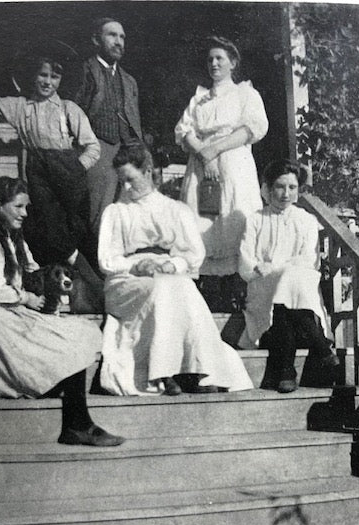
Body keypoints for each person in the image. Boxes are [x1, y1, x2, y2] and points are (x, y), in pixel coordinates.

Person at [97, 142, 253, 396]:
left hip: (168, 274)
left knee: (180, 286)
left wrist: (171, 264)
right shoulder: (116, 212)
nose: (125, 187)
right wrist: (137, 264)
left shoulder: (175, 209)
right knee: (166, 288)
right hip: (126, 281)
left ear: (148, 172)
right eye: (121, 181)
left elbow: (194, 253)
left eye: (130, 179)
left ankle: (195, 368)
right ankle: (165, 372)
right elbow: (107, 260)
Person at [0, 177, 124, 446]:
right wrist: (26, 298)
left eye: (26, 207)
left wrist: (46, 284)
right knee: (62, 343)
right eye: (18, 207)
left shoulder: (15, 240)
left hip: (16, 313)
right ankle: (77, 423)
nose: (24, 213)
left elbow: (32, 270)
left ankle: (76, 421)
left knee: (78, 332)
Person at [0, 40, 103, 297]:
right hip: (39, 180)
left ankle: (93, 293)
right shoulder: (21, 107)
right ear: (33, 76)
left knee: (79, 234)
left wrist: (74, 168)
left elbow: (93, 148)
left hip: (70, 180)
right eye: (43, 75)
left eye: (54, 77)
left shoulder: (69, 109)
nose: (48, 82)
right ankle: (58, 291)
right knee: (48, 234)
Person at [238, 159, 339, 393]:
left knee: (291, 279)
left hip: (296, 286)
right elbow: (246, 264)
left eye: (292, 188)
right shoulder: (255, 220)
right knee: (288, 285)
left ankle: (286, 370)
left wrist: (273, 266)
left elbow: (308, 261)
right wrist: (270, 270)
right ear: (268, 188)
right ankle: (321, 346)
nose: (285, 194)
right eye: (280, 187)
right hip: (263, 290)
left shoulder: (306, 220)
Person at [175, 36, 268, 279]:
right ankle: (206, 285)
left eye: (220, 58)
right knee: (202, 220)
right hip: (200, 166)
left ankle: (237, 284)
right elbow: (184, 131)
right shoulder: (199, 99)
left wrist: (215, 150)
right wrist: (204, 154)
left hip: (234, 163)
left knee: (234, 213)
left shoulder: (244, 93)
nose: (214, 63)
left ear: (233, 63)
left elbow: (252, 128)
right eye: (210, 59)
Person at [75, 17, 142, 235]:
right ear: (96, 39)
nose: (119, 41)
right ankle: (96, 265)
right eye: (112, 35)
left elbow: (134, 120)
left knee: (127, 211)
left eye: (122, 37)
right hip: (97, 148)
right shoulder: (84, 70)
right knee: (99, 213)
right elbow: (73, 112)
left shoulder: (129, 80)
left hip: (126, 150)